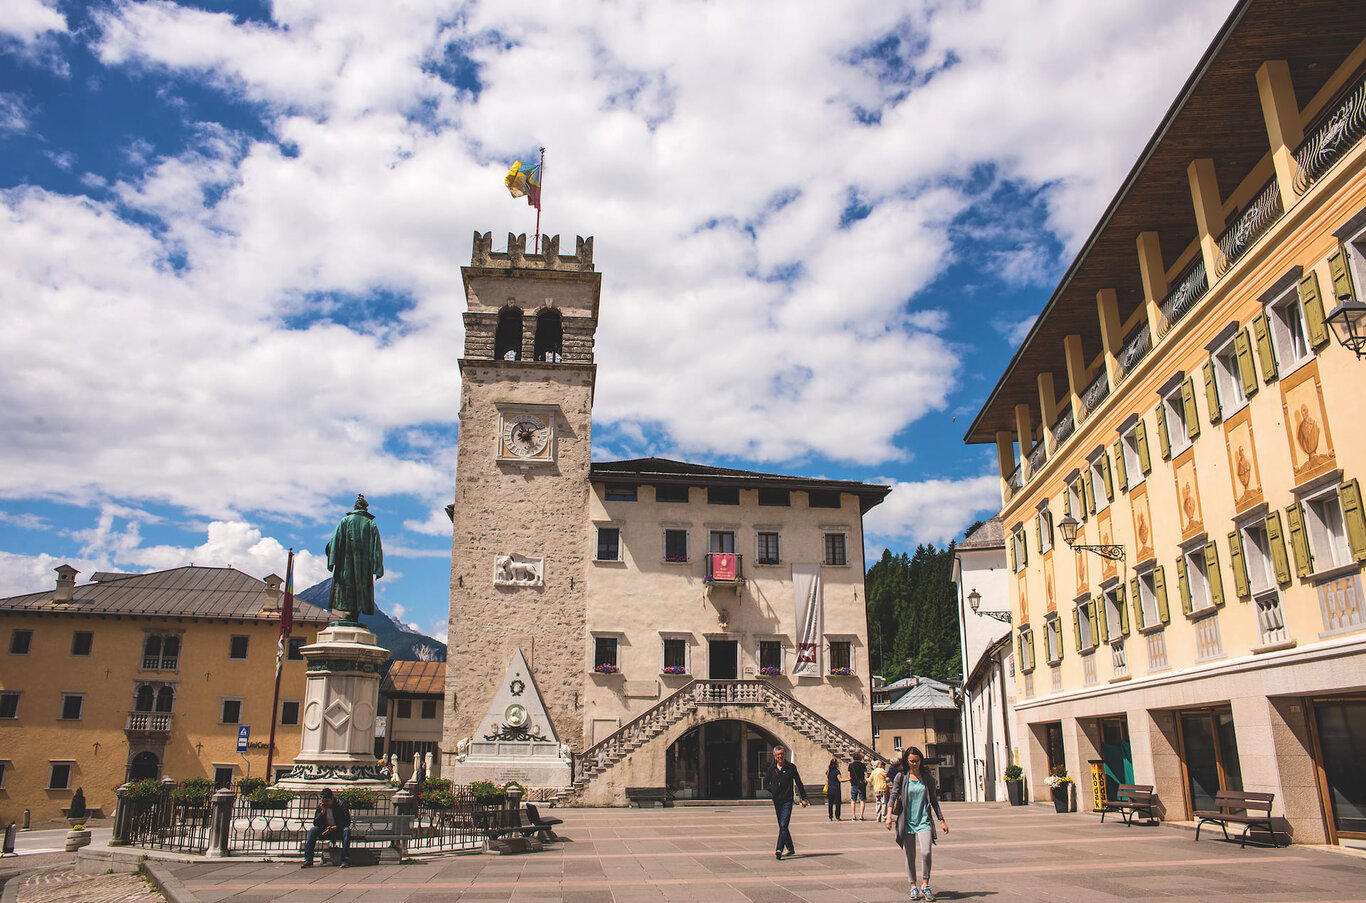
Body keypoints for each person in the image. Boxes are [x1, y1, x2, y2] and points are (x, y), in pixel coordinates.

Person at [884, 747, 948, 902]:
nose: (915, 764)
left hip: (924, 820)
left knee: (926, 852)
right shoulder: (901, 777)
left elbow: (933, 800)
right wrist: (888, 816)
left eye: (917, 761)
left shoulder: (927, 778)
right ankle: (913, 886)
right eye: (912, 761)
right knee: (910, 855)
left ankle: (925, 885)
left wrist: (941, 820)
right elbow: (892, 797)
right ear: (907, 761)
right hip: (906, 821)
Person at [762, 746, 809, 860]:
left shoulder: (791, 768)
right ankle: (790, 847)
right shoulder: (772, 768)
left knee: (783, 824)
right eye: (778, 754)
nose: (780, 756)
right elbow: (765, 783)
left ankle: (779, 849)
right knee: (783, 826)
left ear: (785, 755)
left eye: (782, 754)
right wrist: (773, 790)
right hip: (777, 800)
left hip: (787, 799)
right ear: (775, 756)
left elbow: (799, 783)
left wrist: (804, 798)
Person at [302, 788, 351, 868]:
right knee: (312, 830)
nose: (326, 803)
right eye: (324, 801)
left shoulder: (341, 804)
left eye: (328, 801)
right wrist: (322, 812)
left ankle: (345, 860)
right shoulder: (321, 806)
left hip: (338, 829)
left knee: (346, 830)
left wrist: (335, 827)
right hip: (325, 830)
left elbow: (347, 822)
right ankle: (308, 860)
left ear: (332, 798)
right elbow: (316, 823)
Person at [848, 753, 868, 821]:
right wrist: (866, 781)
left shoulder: (851, 765)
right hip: (861, 784)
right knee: (862, 800)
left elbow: (849, 776)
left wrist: (851, 781)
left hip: (853, 784)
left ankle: (853, 816)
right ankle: (861, 816)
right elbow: (866, 775)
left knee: (853, 800)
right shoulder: (862, 765)